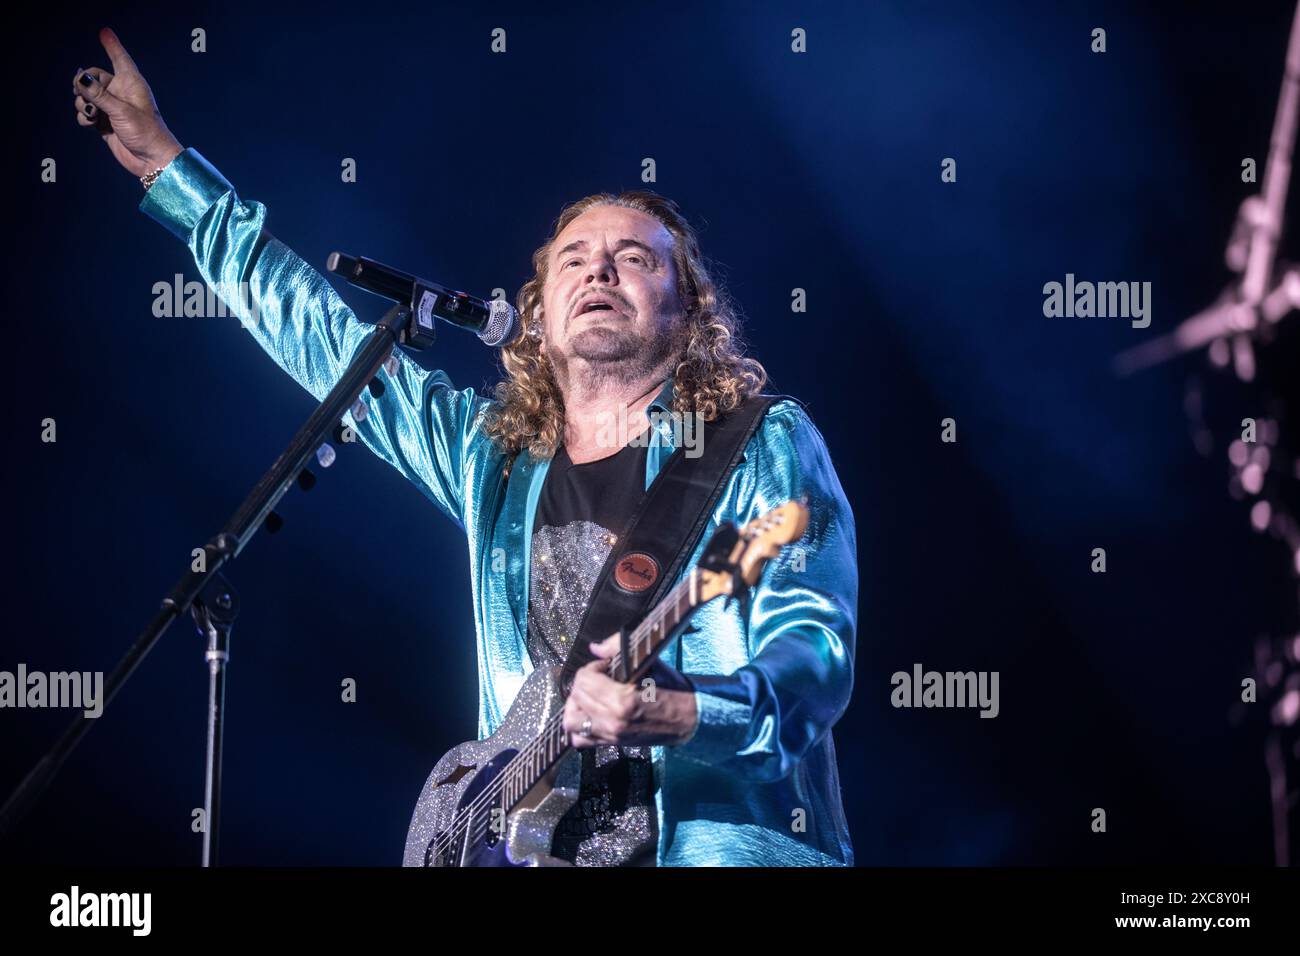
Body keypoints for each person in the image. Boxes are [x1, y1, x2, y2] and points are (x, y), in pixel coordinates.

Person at [72, 27, 858, 866]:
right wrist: (171, 169)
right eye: (574, 262)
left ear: (689, 311)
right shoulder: (496, 462)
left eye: (634, 259)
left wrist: (688, 712)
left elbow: (814, 649)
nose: (600, 273)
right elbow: (322, 336)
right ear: (540, 316)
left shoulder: (758, 443)